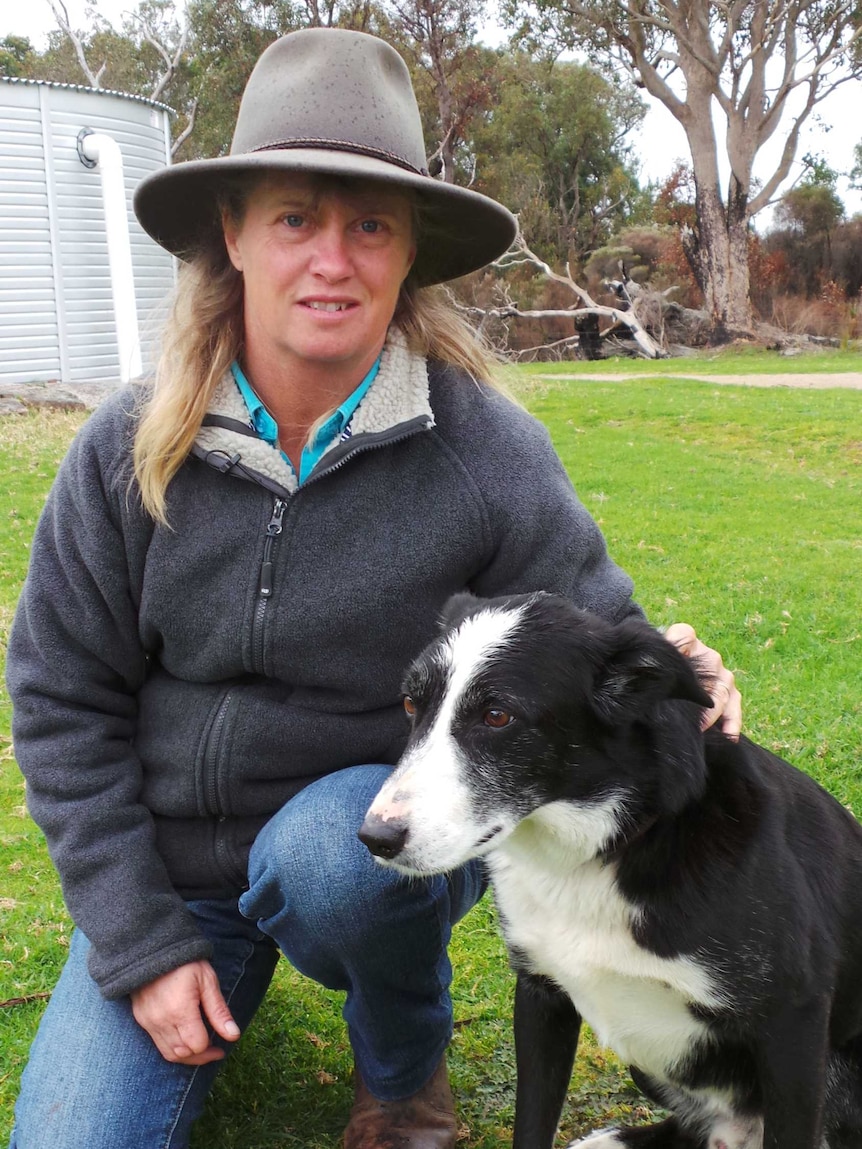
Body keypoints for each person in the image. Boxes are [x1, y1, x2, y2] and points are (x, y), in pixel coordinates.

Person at [5, 26, 740, 1149]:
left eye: (369, 227)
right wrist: (141, 943)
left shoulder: (482, 451)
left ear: (408, 256)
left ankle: (402, 1072)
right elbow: (60, 698)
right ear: (234, 235)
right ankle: (195, 979)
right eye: (295, 218)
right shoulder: (123, 448)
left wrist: (679, 670)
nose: (332, 261)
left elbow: (595, 630)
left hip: (363, 846)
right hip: (168, 874)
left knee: (322, 859)